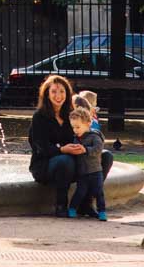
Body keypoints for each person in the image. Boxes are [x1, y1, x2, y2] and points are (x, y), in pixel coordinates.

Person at [28, 74, 112, 216]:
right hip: (46, 165)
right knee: (65, 160)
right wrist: (62, 149)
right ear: (47, 94)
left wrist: (83, 148)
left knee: (106, 156)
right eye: (54, 91)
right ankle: (61, 205)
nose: (58, 95)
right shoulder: (39, 117)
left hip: (74, 160)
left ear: (67, 94)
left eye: (62, 91)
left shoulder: (71, 114)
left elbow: (85, 134)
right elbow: (40, 148)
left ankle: (86, 203)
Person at [67, 107, 107, 220]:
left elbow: (98, 149)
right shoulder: (76, 138)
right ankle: (72, 208)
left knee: (99, 192)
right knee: (80, 191)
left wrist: (86, 150)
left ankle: (102, 211)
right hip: (83, 172)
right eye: (73, 127)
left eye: (78, 127)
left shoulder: (94, 136)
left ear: (88, 124)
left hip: (95, 171)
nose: (75, 130)